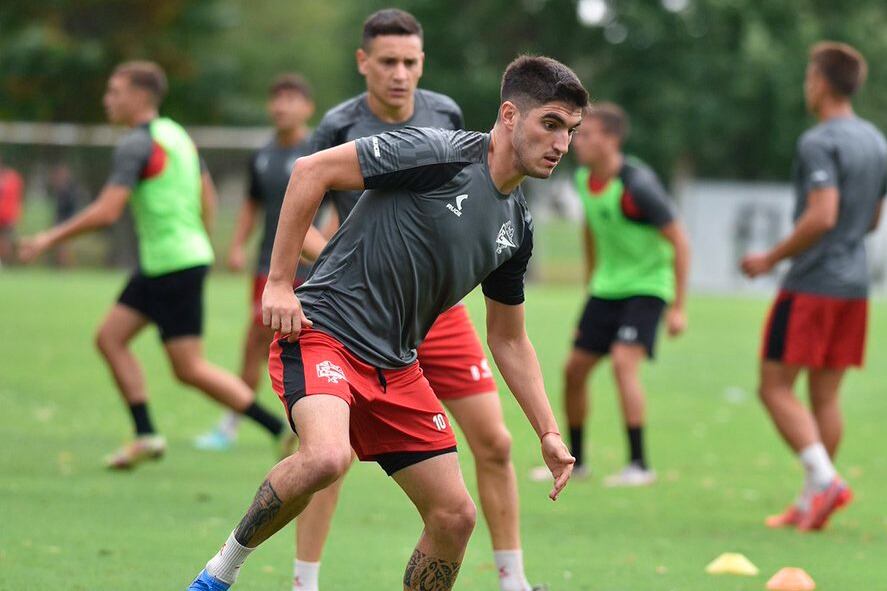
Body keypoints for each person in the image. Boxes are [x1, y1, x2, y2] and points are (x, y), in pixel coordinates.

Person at [186, 54, 587, 591]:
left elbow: (509, 338)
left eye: (571, 131)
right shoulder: (438, 151)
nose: (561, 144)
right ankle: (219, 573)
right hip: (323, 334)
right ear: (511, 116)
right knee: (328, 457)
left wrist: (548, 431)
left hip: (397, 367)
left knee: (455, 516)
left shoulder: (517, 227)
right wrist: (280, 282)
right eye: (551, 124)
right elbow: (312, 171)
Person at [289, 10, 545, 591]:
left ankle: (514, 581)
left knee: (497, 443)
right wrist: (342, 262)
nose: (400, 74)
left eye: (410, 62)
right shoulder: (337, 124)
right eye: (388, 63)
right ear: (364, 64)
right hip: (356, 310)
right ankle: (305, 582)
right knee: (327, 455)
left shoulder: (447, 117)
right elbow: (304, 198)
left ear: (422, 63)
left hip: (439, 312)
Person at [18, 61, 294, 469]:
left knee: (190, 368)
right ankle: (146, 434)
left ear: (140, 97)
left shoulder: (137, 143)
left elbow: (108, 211)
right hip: (168, 262)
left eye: (115, 91)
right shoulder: (177, 135)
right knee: (111, 338)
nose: (107, 99)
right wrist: (200, 235)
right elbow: (208, 193)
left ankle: (278, 428)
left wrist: (47, 238)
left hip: (172, 264)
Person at [741, 42, 886, 531]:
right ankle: (813, 504)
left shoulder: (819, 141)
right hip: (854, 285)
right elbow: (871, 220)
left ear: (821, 82)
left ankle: (824, 480)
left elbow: (822, 215)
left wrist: (769, 258)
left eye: (809, 77)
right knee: (825, 396)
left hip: (813, 284)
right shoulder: (876, 141)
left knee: (774, 387)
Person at [531, 103, 689, 487]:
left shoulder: (639, 186)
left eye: (586, 134)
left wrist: (678, 308)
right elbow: (591, 229)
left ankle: (639, 465)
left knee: (623, 363)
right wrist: (591, 278)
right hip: (607, 289)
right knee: (574, 371)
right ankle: (578, 461)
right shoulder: (585, 179)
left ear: (612, 140)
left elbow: (680, 244)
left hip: (647, 288)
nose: (576, 141)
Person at [194, 73, 317, 452]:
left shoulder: (320, 151)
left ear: (307, 108)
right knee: (256, 344)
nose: (282, 106)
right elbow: (251, 205)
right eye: (277, 98)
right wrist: (236, 246)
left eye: (291, 98)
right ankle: (232, 423)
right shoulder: (262, 155)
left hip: (315, 270)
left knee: (315, 346)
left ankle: (313, 425)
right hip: (269, 268)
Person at [48, 163, 88, 267]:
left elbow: (70, 207)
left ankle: (66, 266)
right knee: (61, 246)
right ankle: (63, 265)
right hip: (61, 220)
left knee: (64, 246)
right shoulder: (61, 190)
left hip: (67, 220)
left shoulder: (70, 190)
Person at [0, 156, 24, 265]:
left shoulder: (13, 177)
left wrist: (16, 214)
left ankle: (6, 263)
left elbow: (18, 197)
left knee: (6, 241)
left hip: (7, 216)